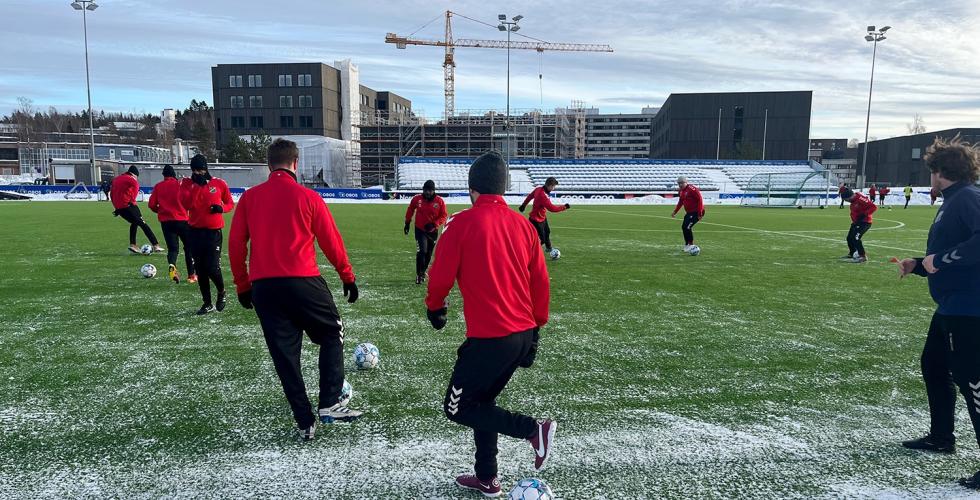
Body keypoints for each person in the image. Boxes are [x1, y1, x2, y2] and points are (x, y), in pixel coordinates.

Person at [426, 151, 556, 497]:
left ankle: (533, 430)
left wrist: (435, 308)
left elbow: (440, 276)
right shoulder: (524, 225)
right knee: (482, 402)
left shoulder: (461, 223)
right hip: (522, 334)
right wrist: (536, 333)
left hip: (491, 338)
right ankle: (487, 477)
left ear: (472, 189)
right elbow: (540, 284)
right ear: (504, 188)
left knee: (458, 407)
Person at [229, 138, 361, 441]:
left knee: (285, 356)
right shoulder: (308, 197)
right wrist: (347, 276)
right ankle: (330, 402)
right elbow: (330, 240)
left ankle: (304, 422)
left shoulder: (250, 198)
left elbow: (236, 244)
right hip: (303, 282)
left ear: (269, 165)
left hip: (264, 287)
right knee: (332, 332)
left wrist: (243, 285)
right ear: (296, 164)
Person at [894, 136, 980, 490]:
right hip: (951, 306)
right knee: (934, 366)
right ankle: (941, 437)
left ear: (940, 171)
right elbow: (952, 252)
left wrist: (940, 260)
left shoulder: (968, 197)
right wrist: (918, 264)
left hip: (970, 309)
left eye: (931, 170)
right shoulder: (955, 199)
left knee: (972, 382)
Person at [180, 155, 234, 314]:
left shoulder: (219, 183)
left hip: (213, 232)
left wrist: (221, 208)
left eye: (200, 170)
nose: (198, 173)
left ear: (206, 169)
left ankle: (222, 291)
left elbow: (230, 203)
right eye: (195, 170)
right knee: (200, 269)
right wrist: (197, 187)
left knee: (212, 267)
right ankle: (207, 303)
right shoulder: (186, 184)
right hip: (195, 232)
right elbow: (186, 205)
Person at [148, 164, 196, 284]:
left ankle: (172, 265)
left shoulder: (158, 186)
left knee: (173, 249)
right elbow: (189, 200)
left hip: (166, 222)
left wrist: (160, 211)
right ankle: (191, 275)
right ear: (174, 174)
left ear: (163, 175)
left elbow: (152, 204)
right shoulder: (179, 185)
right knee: (189, 247)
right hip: (182, 220)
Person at [110, 165, 162, 254]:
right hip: (129, 205)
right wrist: (132, 200)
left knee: (135, 222)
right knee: (142, 223)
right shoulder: (131, 179)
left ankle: (133, 245)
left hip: (120, 208)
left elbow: (112, 194)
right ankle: (155, 245)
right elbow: (136, 186)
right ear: (134, 174)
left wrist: (116, 207)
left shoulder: (116, 179)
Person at [404, 179, 448, 284]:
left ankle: (423, 272)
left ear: (433, 191)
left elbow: (444, 215)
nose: (427, 192)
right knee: (422, 251)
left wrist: (434, 224)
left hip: (432, 231)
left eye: (430, 190)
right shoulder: (417, 199)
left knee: (428, 253)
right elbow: (410, 209)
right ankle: (419, 274)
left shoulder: (439, 201)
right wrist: (407, 222)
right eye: (425, 190)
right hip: (420, 230)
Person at [520, 177, 569, 256]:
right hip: (536, 220)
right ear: (549, 186)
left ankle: (548, 247)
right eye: (553, 186)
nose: (554, 188)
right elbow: (552, 209)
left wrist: (524, 205)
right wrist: (564, 207)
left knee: (547, 232)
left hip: (541, 217)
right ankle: (529, 253)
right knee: (541, 239)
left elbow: (530, 196)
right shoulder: (543, 195)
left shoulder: (539, 189)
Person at [839, 188, 877, 263]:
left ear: (850, 196)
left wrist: (864, 214)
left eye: (846, 199)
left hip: (865, 222)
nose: (846, 201)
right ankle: (852, 253)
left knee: (856, 238)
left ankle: (863, 256)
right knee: (849, 238)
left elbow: (873, 207)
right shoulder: (853, 200)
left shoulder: (860, 199)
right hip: (856, 222)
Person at [671, 176, 705, 251]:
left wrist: (700, 213)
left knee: (687, 227)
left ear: (686, 182)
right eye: (679, 183)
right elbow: (680, 202)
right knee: (684, 227)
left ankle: (691, 245)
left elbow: (700, 200)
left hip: (697, 212)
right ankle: (687, 244)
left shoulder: (692, 189)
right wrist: (675, 211)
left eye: (682, 183)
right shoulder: (681, 191)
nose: (680, 185)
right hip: (689, 213)